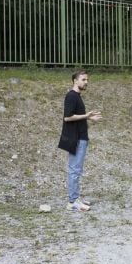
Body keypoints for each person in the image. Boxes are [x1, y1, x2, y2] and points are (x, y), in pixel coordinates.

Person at [57, 70, 102, 212]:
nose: (86, 82)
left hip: (81, 137)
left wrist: (88, 118)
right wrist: (86, 115)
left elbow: (77, 117)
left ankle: (75, 198)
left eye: (87, 80)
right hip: (76, 139)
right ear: (75, 81)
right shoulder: (71, 96)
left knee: (76, 169)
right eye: (83, 79)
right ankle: (72, 202)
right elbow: (67, 117)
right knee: (74, 170)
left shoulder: (77, 96)